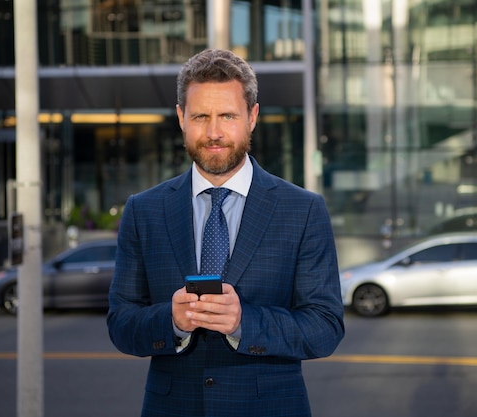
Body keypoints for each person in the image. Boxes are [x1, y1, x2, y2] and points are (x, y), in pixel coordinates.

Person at [107, 49, 345, 417]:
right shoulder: (144, 210)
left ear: (252, 117)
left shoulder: (303, 210)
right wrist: (170, 322)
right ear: (181, 117)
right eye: (201, 116)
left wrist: (243, 322)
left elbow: (325, 327)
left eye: (228, 116)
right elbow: (121, 323)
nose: (214, 132)